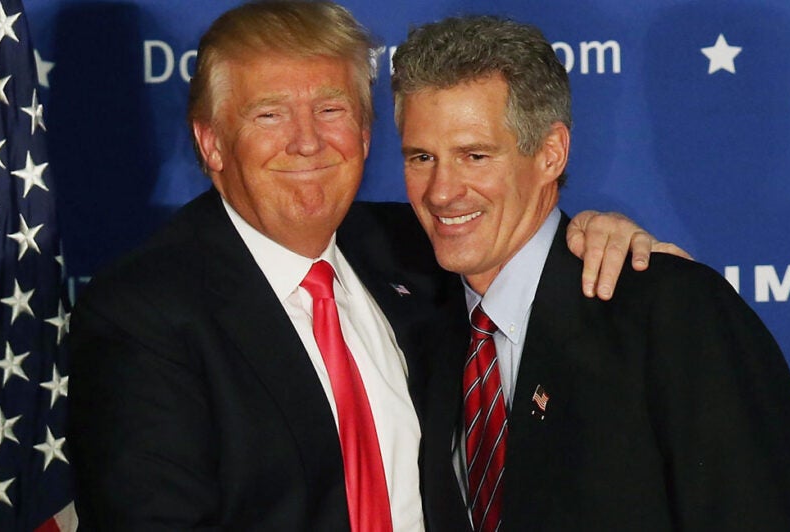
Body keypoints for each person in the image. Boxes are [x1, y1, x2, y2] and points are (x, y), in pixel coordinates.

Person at [66, 2, 682, 530]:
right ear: (212, 144)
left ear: (365, 133)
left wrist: (596, 235)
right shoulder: (143, 316)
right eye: (269, 114)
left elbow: (520, 236)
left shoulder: (421, 250)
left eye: (332, 110)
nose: (307, 141)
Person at [391, 15, 790, 532]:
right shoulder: (410, 319)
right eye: (422, 156)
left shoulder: (671, 312)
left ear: (551, 153)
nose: (441, 191)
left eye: (475, 155)